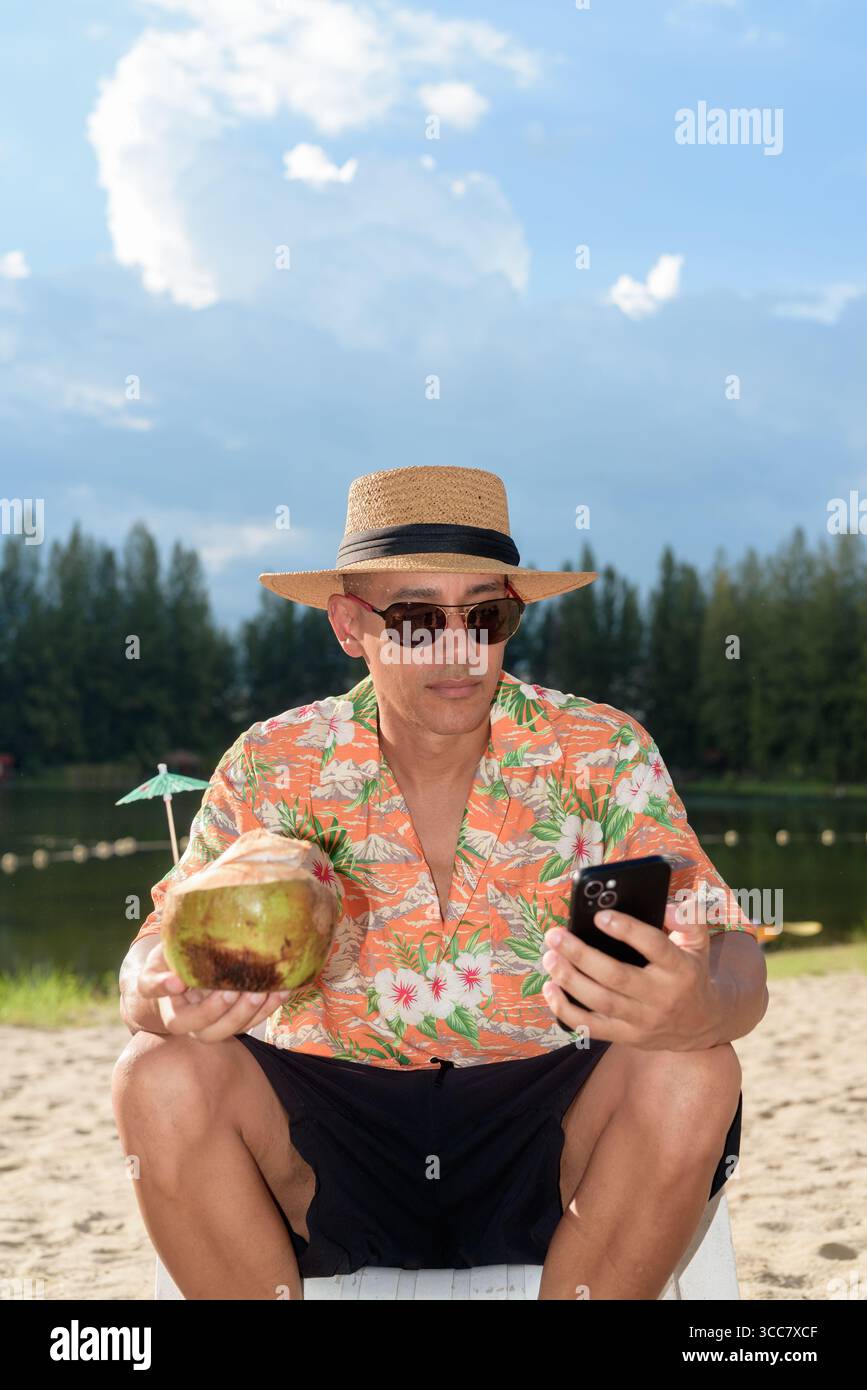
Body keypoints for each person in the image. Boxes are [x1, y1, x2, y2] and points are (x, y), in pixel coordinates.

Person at [114, 465, 767, 1300]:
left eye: (485, 617)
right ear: (349, 624)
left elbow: (735, 955)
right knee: (154, 1072)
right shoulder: (271, 761)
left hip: (550, 1136)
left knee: (696, 1067)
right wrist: (158, 997)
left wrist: (702, 1005)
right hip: (321, 1150)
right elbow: (144, 963)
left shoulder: (601, 748)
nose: (459, 650)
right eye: (418, 619)